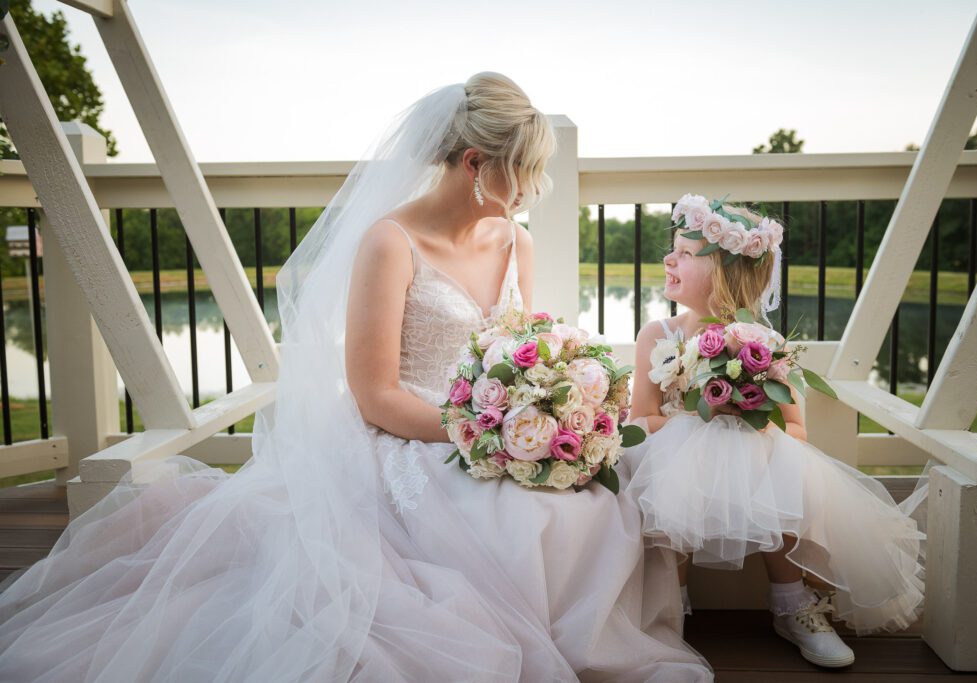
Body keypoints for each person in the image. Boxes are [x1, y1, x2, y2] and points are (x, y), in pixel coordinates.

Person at [0, 73, 712, 682]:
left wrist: (551, 415)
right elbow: (374, 394)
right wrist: (488, 436)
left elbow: (529, 346)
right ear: (474, 163)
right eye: (523, 170)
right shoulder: (390, 242)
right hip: (411, 434)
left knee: (596, 503)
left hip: (499, 425)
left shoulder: (514, 238)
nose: (532, 189)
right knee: (516, 517)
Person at [617, 197, 927, 669]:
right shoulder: (657, 335)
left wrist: (741, 417)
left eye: (684, 253)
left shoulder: (765, 345)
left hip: (756, 465)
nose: (668, 259)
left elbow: (797, 430)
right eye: (672, 249)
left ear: (723, 270)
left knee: (774, 459)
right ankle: (668, 611)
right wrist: (704, 420)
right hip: (669, 461)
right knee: (675, 467)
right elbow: (643, 420)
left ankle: (792, 603)